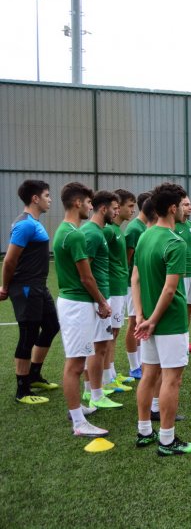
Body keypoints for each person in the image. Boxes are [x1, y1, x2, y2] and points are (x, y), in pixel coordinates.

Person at [132, 182, 191, 455]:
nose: (186, 209)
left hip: (148, 318)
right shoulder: (175, 241)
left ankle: (144, 431)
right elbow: (170, 289)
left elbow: (134, 279)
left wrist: (140, 315)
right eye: (183, 203)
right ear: (172, 208)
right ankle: (167, 440)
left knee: (148, 375)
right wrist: (152, 319)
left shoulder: (144, 237)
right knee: (172, 379)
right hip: (169, 322)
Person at [53, 182, 112, 437]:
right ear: (78, 203)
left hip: (74, 303)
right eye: (89, 202)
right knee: (75, 364)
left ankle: (78, 411)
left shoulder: (65, 230)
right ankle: (78, 422)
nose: (91, 206)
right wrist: (102, 301)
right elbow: (86, 278)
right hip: (76, 304)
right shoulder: (75, 234)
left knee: (77, 361)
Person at [1, 180, 60, 404]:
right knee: (28, 334)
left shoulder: (34, 222)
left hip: (38, 286)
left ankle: (34, 375)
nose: (50, 199)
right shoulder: (24, 224)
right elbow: (9, 260)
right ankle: (22, 390)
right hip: (25, 287)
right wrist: (5, 287)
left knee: (52, 326)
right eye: (46, 195)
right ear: (35, 199)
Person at [81, 190, 124, 410]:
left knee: (100, 346)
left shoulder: (99, 231)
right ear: (104, 208)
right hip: (96, 299)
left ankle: (92, 390)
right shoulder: (93, 233)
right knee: (97, 348)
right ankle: (96, 394)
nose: (117, 212)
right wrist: (100, 301)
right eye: (115, 208)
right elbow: (84, 272)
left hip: (102, 295)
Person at [100, 189, 136, 392]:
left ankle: (111, 372)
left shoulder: (118, 230)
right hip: (111, 287)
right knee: (108, 333)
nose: (132, 210)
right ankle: (106, 378)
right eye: (129, 206)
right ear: (118, 206)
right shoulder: (108, 230)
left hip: (120, 286)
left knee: (114, 331)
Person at [123, 191, 151, 380]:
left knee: (140, 320)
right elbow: (127, 259)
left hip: (144, 282)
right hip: (132, 284)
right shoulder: (134, 229)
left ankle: (141, 361)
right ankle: (134, 366)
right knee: (134, 321)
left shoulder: (145, 226)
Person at [173, 195, 191, 352]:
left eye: (190, 204)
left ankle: (185, 341)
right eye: (185, 204)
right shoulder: (173, 225)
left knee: (190, 306)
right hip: (180, 273)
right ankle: (177, 342)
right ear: (178, 207)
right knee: (180, 307)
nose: (189, 207)